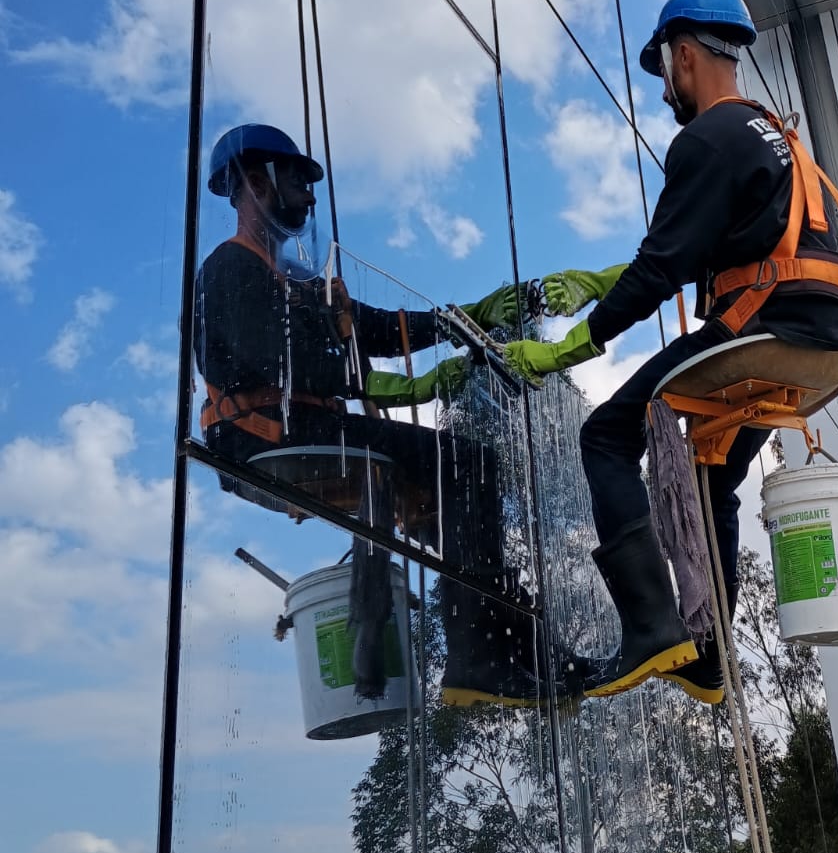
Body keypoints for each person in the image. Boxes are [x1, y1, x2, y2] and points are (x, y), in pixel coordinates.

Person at [505, 0, 838, 704]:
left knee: (607, 436)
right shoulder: (777, 138)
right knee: (709, 482)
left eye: (665, 69)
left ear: (684, 57)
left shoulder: (705, 138)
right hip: (825, 340)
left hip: (765, 330)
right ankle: (709, 660)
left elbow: (660, 267)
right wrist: (601, 281)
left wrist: (567, 349)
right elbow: (711, 251)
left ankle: (650, 629)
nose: (666, 85)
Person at [194, 123, 567, 708]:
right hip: (259, 438)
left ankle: (522, 647)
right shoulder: (228, 270)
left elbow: (375, 328)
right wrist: (412, 385)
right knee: (467, 463)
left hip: (304, 430)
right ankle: (481, 656)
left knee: (454, 504)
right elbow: (294, 367)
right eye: (296, 178)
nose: (308, 195)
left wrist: (464, 322)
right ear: (253, 180)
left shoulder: (299, 284)